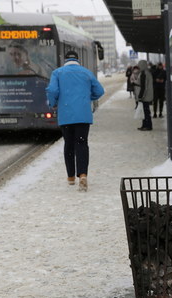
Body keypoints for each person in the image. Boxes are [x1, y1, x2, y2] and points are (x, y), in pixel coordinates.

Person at [46, 50, 104, 192]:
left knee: (69, 144)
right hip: (83, 115)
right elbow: (100, 91)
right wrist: (86, 98)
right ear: (78, 60)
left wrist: (53, 103)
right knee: (82, 143)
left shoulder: (58, 73)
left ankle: (71, 177)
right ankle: (83, 174)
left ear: (65, 60)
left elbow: (52, 90)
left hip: (66, 115)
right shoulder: (86, 72)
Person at [135, 60, 154, 131]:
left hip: (145, 96)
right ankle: (145, 125)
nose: (139, 67)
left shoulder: (144, 74)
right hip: (147, 95)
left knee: (145, 112)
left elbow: (144, 86)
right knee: (146, 111)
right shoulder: (147, 72)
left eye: (139, 65)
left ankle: (147, 126)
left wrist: (140, 96)